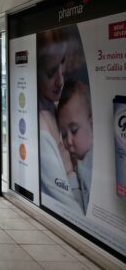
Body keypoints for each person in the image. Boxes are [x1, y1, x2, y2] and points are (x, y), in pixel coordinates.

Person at [37, 29, 83, 214]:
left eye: (62, 62)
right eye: (50, 72)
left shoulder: (53, 108)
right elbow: (74, 211)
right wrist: (71, 174)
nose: (60, 80)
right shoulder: (42, 132)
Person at [57, 79, 93, 214]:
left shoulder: (88, 164)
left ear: (92, 124)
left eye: (74, 130)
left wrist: (69, 174)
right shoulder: (81, 160)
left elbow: (80, 212)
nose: (69, 141)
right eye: (65, 134)